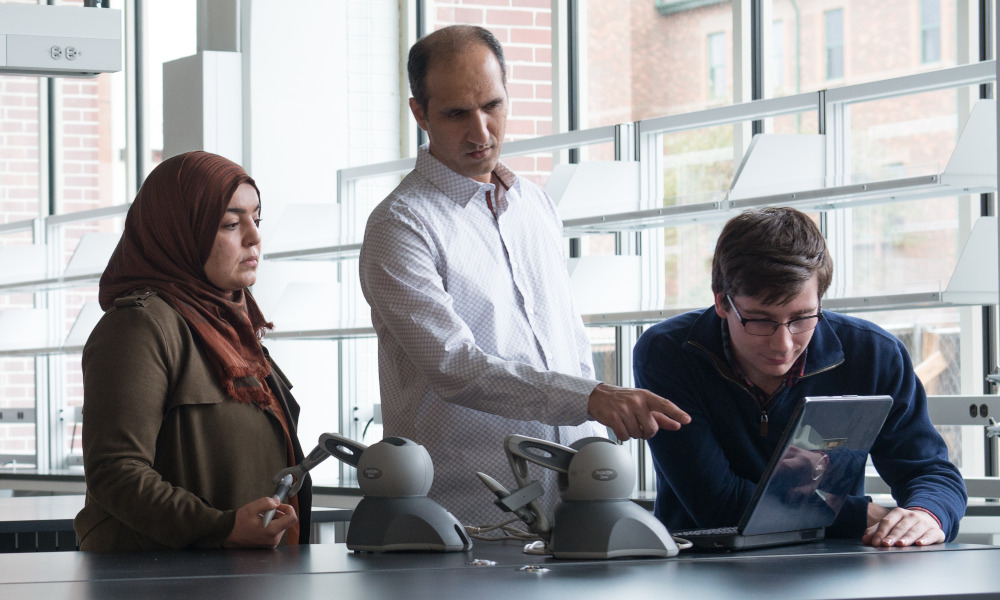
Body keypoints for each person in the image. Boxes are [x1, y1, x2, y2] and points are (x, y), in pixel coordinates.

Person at [358, 24, 690, 527]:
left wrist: (597, 446)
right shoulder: (399, 225)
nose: (481, 131)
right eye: (455, 113)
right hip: (474, 518)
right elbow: (455, 367)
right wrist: (593, 400)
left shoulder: (534, 204)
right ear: (419, 113)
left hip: (578, 505)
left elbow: (568, 342)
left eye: (492, 105)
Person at [634, 207, 967, 547]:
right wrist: (861, 515)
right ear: (722, 302)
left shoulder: (875, 355)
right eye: (760, 320)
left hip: (832, 565)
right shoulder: (669, 353)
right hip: (703, 567)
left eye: (803, 317)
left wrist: (927, 514)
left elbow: (931, 472)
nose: (783, 343)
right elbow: (717, 505)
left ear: (820, 299)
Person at [74, 151, 312, 551]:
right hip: (158, 581)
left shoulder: (233, 327)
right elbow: (116, 472)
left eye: (257, 219)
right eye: (231, 223)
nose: (254, 236)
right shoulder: (139, 326)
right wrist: (221, 527)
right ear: (179, 232)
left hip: (237, 575)